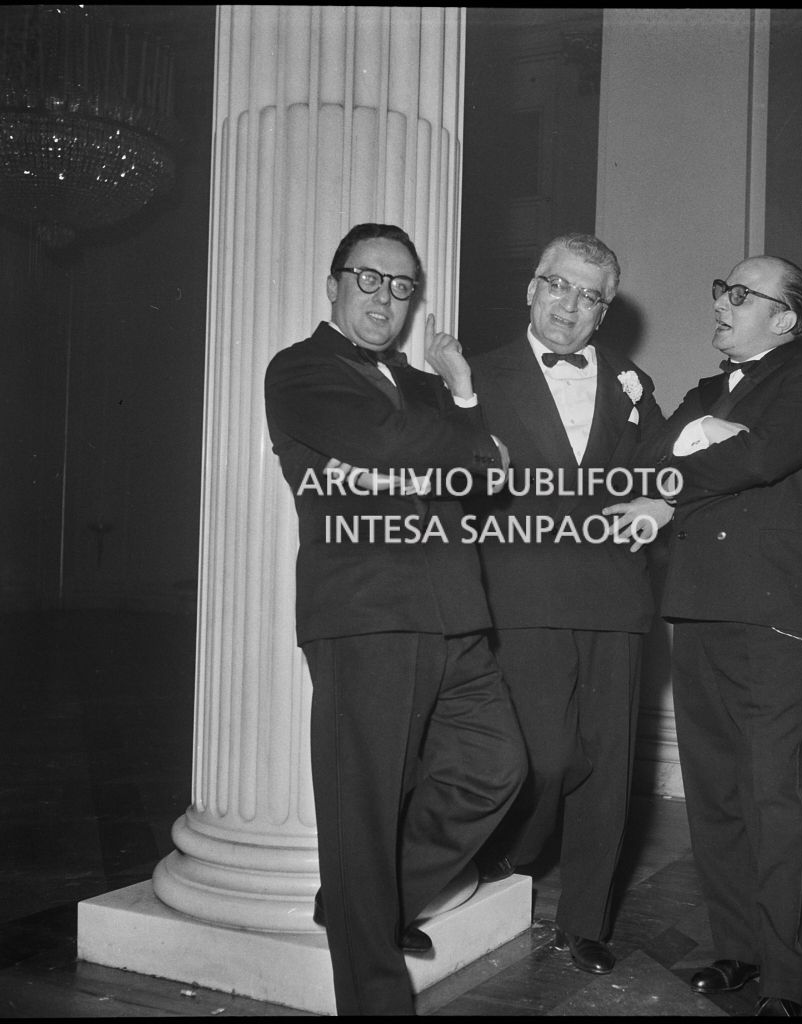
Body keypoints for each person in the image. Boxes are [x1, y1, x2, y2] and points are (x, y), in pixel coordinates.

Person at [263, 223, 526, 1016]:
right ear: (334, 285)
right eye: (369, 279)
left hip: (456, 612)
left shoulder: (424, 385)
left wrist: (463, 395)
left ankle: (363, 902)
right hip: (368, 612)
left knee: (496, 766)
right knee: (364, 808)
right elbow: (397, 442)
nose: (385, 298)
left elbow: (483, 480)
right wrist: (464, 446)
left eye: (402, 285)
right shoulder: (300, 370)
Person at [443, 232, 675, 976]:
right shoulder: (478, 376)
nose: (570, 306)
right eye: (559, 285)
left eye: (589, 296)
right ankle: (516, 854)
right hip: (522, 593)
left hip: (615, 596)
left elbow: (661, 469)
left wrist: (661, 501)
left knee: (607, 768)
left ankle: (585, 921)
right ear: (532, 289)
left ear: (604, 312)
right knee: (544, 757)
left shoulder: (631, 384)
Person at [657, 255, 802, 1017]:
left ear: (785, 318)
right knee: (715, 793)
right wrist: (713, 431)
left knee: (775, 797)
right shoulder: (703, 394)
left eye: (740, 295)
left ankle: (782, 981)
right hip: (699, 605)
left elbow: (761, 456)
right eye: (721, 290)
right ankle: (736, 950)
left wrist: (706, 445)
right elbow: (651, 461)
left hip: (779, 614)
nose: (721, 303)